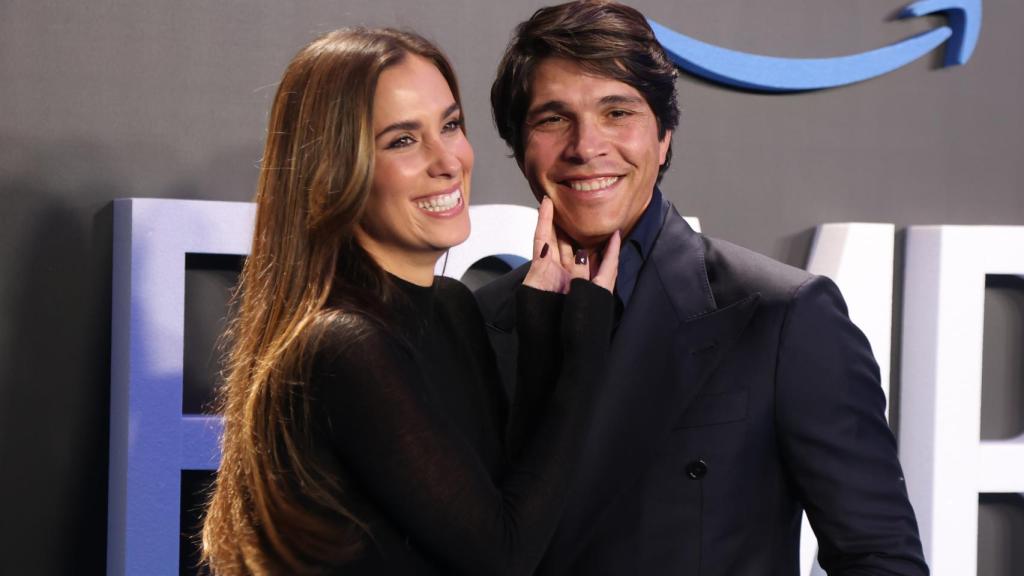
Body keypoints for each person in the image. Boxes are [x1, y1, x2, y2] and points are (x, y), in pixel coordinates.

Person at [476, 2, 930, 574]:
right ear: (521, 149)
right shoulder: (478, 320)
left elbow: (880, 559)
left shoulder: (782, 315)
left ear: (663, 137)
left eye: (618, 112)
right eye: (552, 118)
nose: (586, 145)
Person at [200, 27, 620, 575]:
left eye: (450, 125)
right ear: (334, 171)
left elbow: (519, 499)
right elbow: (503, 554)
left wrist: (543, 321)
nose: (447, 161)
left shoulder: (450, 306)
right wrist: (586, 349)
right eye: (402, 140)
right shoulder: (344, 346)